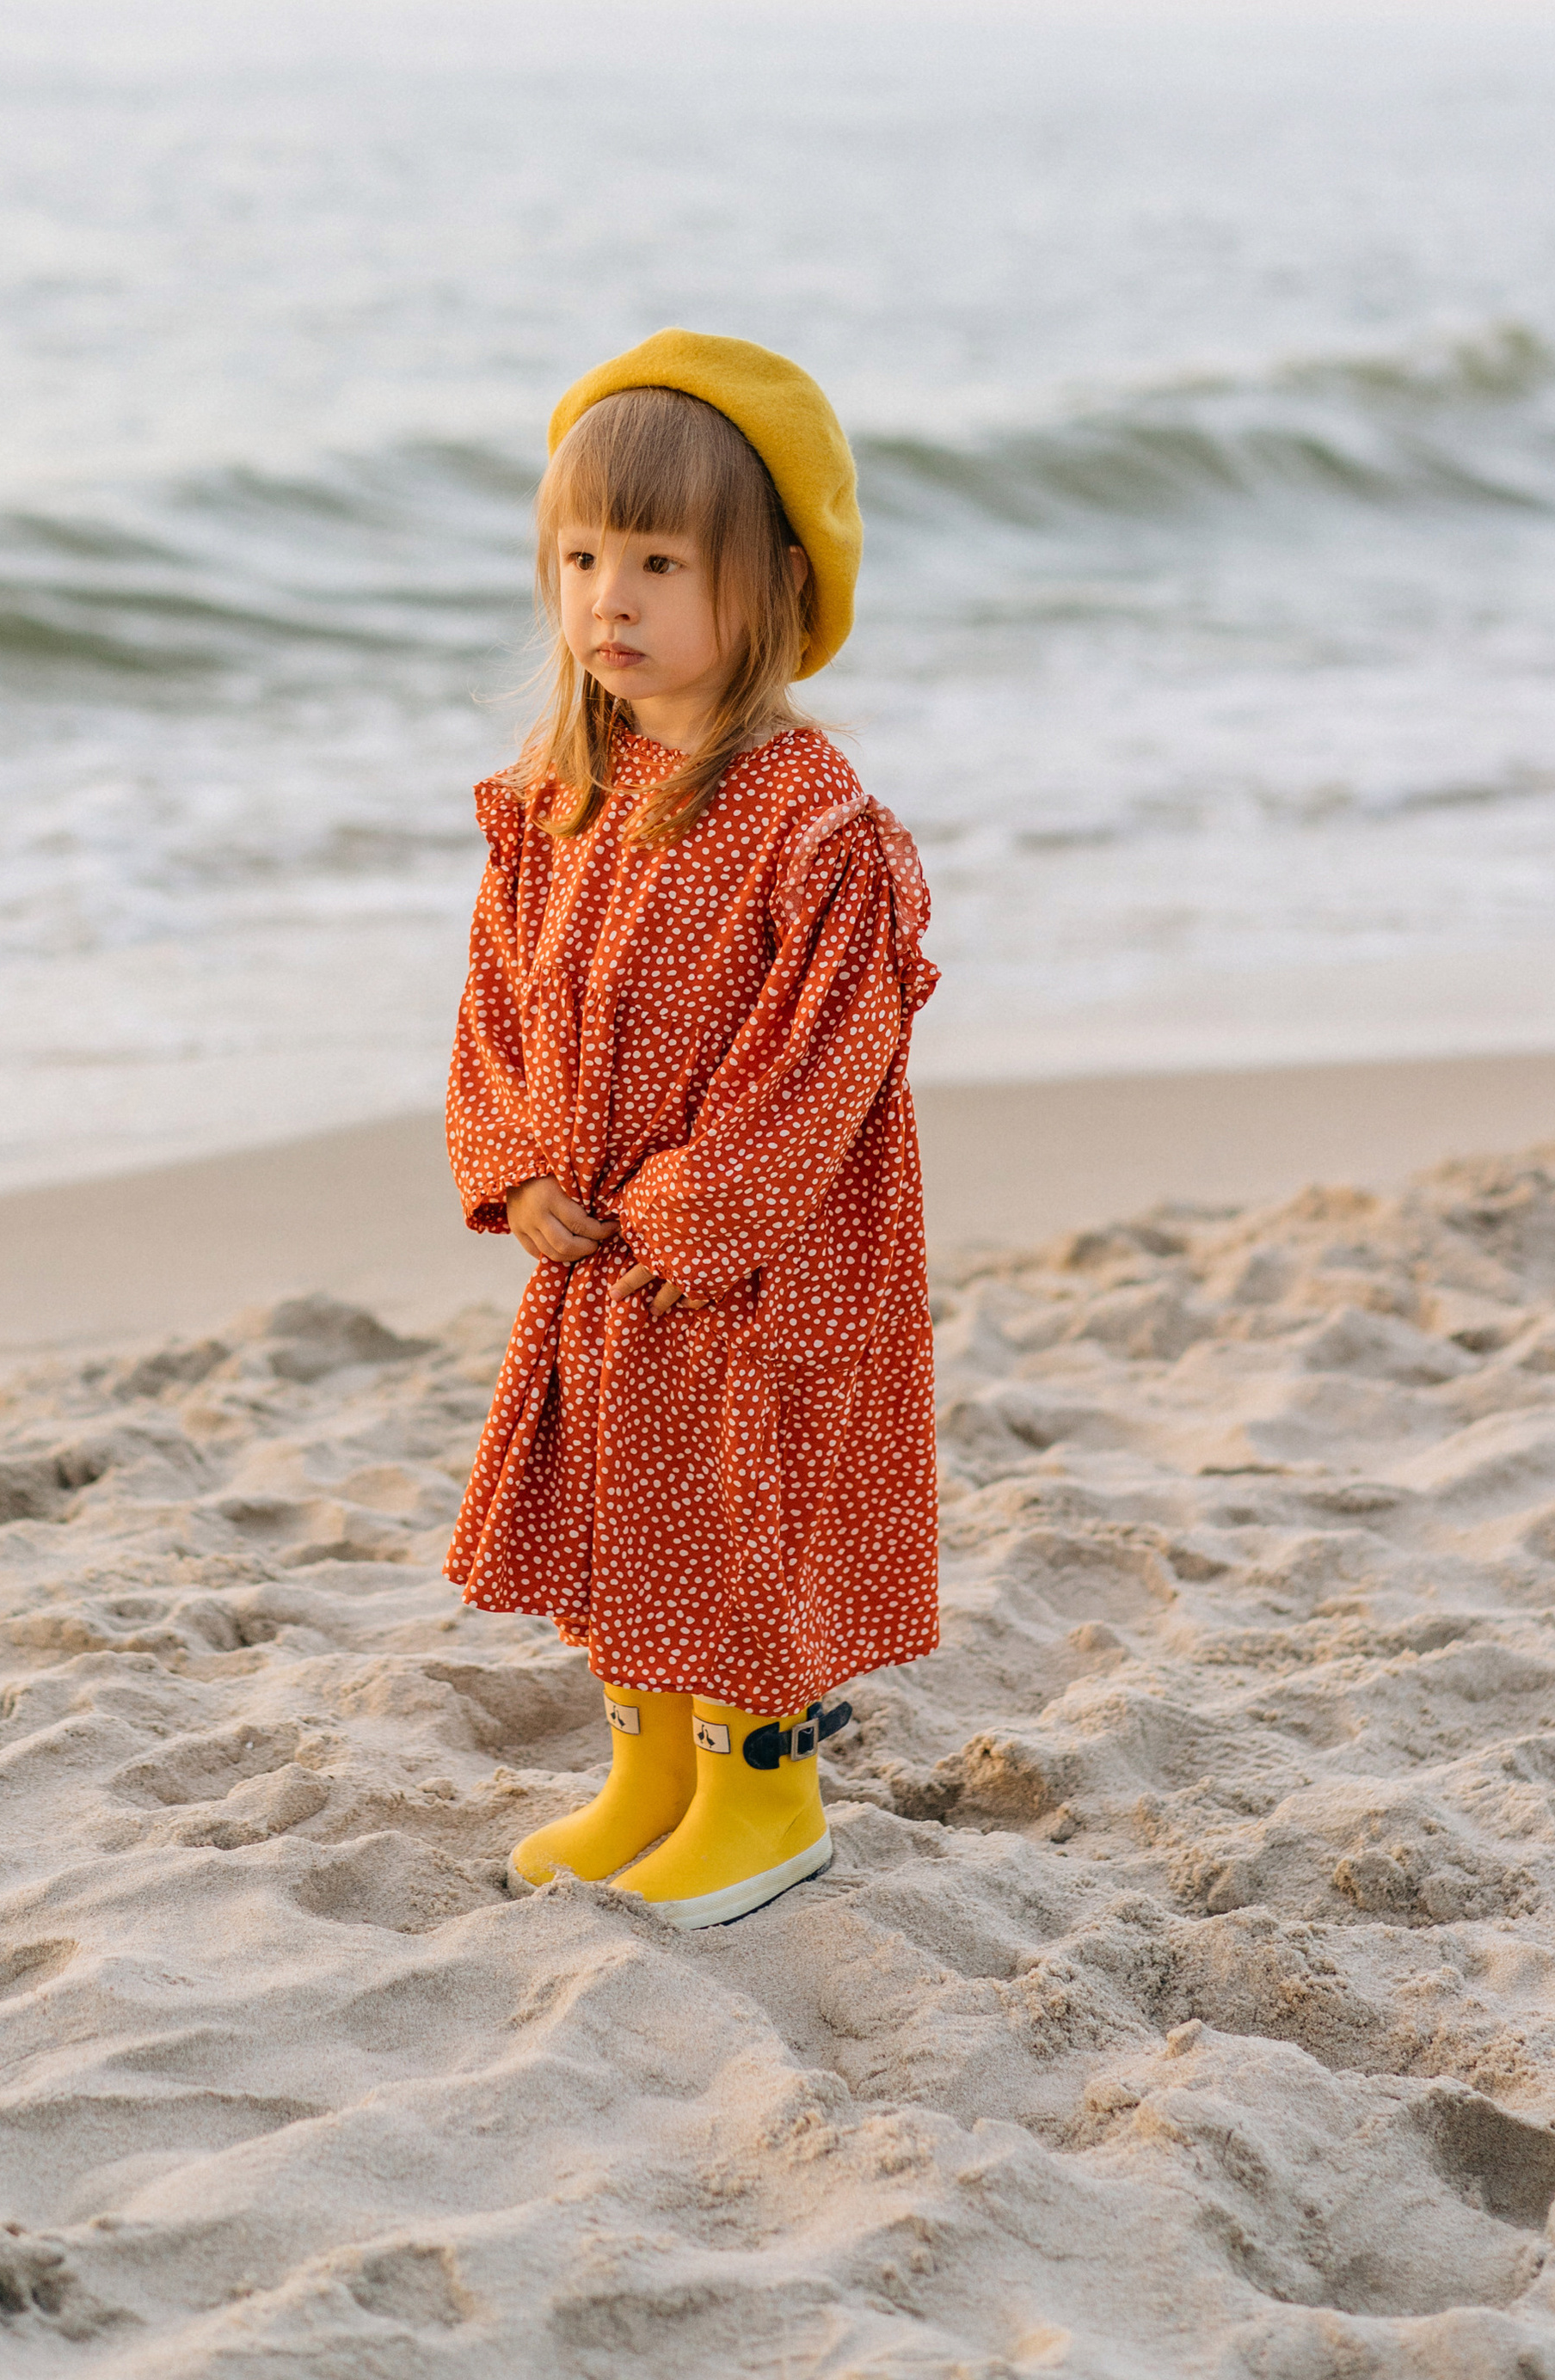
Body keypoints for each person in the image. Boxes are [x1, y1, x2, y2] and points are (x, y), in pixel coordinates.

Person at [443, 328, 941, 1929]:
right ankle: (650, 1777)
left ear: (774, 585)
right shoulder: (559, 792)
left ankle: (764, 1798)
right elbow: (498, 998)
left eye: (659, 563)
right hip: (600, 1251)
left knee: (737, 1517)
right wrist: (516, 1162)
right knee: (623, 1506)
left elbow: (824, 1060)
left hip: (751, 1261)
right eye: (583, 558)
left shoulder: (814, 824)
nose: (611, 600)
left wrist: (697, 1209)